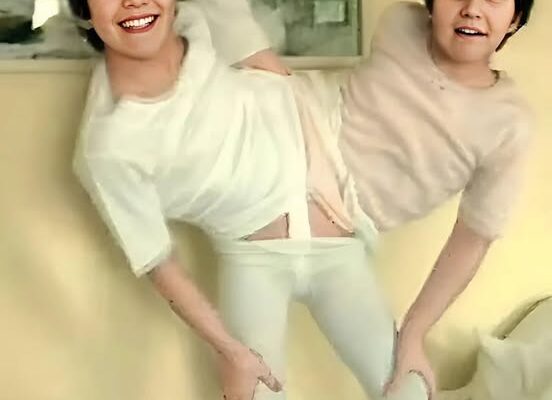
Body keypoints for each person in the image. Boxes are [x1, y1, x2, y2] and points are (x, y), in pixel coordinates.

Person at [68, 0, 534, 399]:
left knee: (409, 389)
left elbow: (475, 237)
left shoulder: (194, 26)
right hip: (254, 253)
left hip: (341, 246)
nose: (473, 7)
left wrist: (415, 332)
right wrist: (228, 350)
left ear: (516, 18)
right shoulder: (109, 144)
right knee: (254, 389)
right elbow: (155, 259)